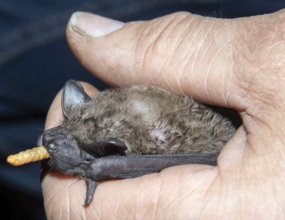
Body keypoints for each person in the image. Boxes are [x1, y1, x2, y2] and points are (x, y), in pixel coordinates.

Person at [42, 9, 285, 219]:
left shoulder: (150, 145)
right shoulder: (122, 130)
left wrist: (90, 166)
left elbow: (102, 163)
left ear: (114, 151)